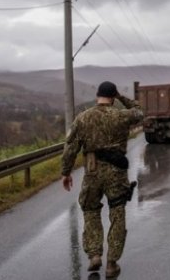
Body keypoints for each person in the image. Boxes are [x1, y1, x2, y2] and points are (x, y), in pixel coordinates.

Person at [61, 81, 143, 278]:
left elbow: (70, 147)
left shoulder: (83, 118)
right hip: (116, 173)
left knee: (90, 210)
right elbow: (139, 111)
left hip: (92, 172)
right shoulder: (121, 115)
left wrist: (66, 172)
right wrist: (122, 97)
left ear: (97, 95)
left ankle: (95, 254)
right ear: (113, 97)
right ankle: (112, 263)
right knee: (117, 212)